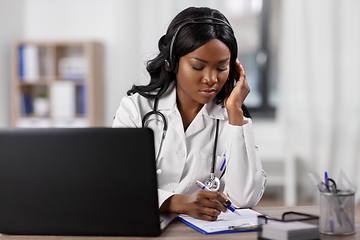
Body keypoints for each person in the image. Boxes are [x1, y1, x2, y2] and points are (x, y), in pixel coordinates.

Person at [113, 6, 266, 221]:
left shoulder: (232, 118)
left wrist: (235, 112)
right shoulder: (136, 108)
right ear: (172, 63)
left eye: (222, 68)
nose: (211, 79)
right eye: (198, 67)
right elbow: (117, 184)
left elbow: (244, 199)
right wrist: (178, 202)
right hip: (140, 227)